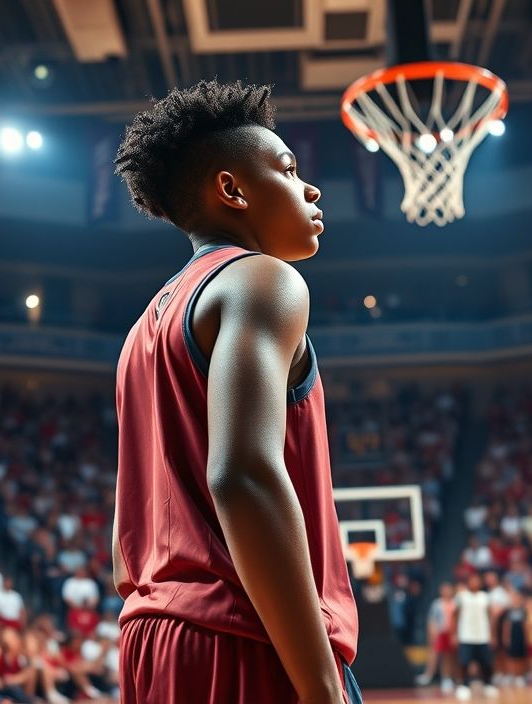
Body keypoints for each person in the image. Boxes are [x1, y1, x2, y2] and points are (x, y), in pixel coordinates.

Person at [112, 80, 358, 704]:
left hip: (153, 638)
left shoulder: (145, 329)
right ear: (232, 189)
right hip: (243, 633)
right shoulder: (260, 279)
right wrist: (321, 686)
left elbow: (125, 542)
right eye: (288, 168)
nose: (311, 188)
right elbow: (242, 475)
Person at [454, 573, 496, 700]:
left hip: (483, 635)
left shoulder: (485, 597)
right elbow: (455, 616)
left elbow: (490, 616)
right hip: (466, 635)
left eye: (477, 581)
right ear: (468, 583)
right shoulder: (461, 596)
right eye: (473, 581)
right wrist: (454, 633)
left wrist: (492, 634)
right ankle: (464, 686)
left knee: (487, 662)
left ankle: (488, 684)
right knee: (464, 662)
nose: (475, 583)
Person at [417, 582, 456, 692]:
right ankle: (428, 674)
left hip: (451, 633)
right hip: (440, 632)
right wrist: (432, 632)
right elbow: (431, 620)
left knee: (448, 657)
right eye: (444, 589)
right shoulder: (436, 604)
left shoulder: (454, 603)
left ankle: (447, 678)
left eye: (448, 589)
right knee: (434, 654)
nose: (446, 592)